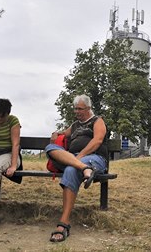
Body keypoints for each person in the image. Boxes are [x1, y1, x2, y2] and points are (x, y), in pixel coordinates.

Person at [45, 94, 108, 242]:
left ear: (88, 108)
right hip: (77, 160)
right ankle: (85, 169)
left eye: (80, 109)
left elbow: (97, 141)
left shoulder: (97, 121)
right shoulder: (74, 125)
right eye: (75, 109)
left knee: (70, 169)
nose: (77, 112)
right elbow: (62, 133)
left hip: (94, 157)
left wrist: (79, 157)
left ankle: (63, 224)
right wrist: (56, 134)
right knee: (50, 148)